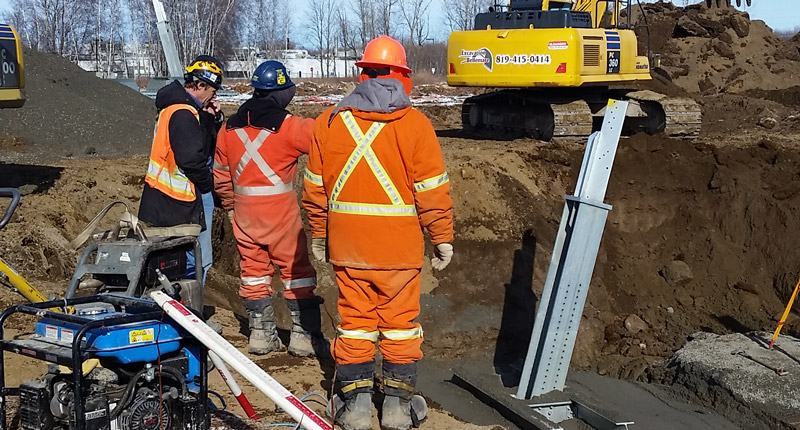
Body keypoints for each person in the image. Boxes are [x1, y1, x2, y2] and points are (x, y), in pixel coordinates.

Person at [302, 35, 454, 430]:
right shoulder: (417, 125)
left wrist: (319, 233)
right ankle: (397, 409)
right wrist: (441, 237)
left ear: (363, 73)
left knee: (354, 323)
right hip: (399, 253)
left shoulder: (329, 123)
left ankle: (355, 409)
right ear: (402, 76)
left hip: (349, 248)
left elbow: (315, 189)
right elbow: (431, 191)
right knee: (401, 327)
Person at [213, 60, 329, 357]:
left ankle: (261, 335)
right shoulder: (290, 127)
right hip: (280, 212)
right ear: (281, 91)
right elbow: (326, 138)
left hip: (243, 212)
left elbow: (221, 174)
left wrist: (229, 206)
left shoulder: (228, 128)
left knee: (253, 272)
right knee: (296, 272)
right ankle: (304, 338)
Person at [139, 56, 224, 283]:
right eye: (213, 88)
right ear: (200, 85)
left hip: (165, 200)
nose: (215, 94)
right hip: (181, 200)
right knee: (196, 261)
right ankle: (189, 312)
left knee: (174, 261)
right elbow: (192, 159)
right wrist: (208, 185)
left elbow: (199, 145)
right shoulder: (183, 114)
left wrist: (211, 119)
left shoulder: (178, 109)